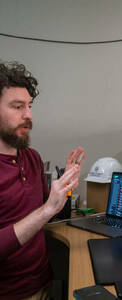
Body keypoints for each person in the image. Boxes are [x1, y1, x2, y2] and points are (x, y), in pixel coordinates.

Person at [0, 62, 85, 300]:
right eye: (18, 107)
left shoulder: (32, 158)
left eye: (29, 106)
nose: (29, 115)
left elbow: (47, 215)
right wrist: (47, 208)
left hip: (43, 283)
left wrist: (65, 190)